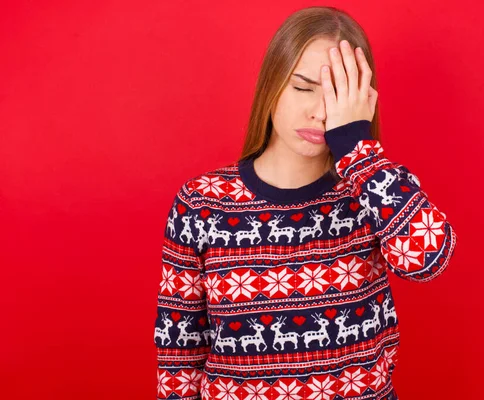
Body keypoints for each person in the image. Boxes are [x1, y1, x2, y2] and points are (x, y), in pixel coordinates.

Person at [154, 6, 457, 400]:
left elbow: (426, 262)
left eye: (338, 95)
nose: (320, 112)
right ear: (272, 82)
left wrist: (358, 150)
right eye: (302, 88)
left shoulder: (375, 190)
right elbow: (179, 353)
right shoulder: (202, 203)